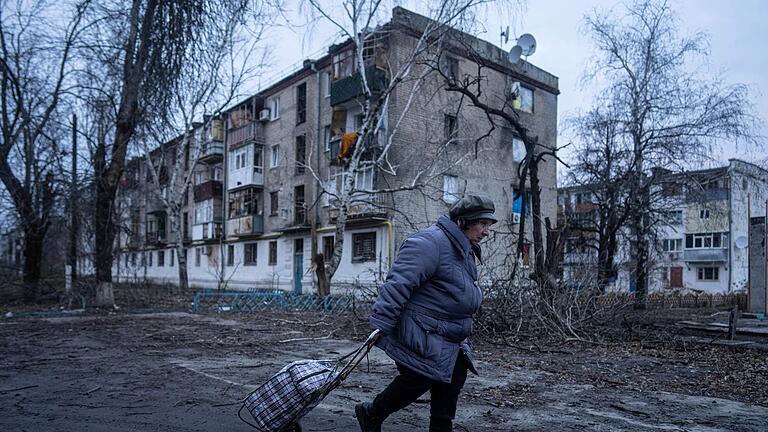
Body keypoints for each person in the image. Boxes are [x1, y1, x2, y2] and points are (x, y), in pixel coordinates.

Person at [355, 194, 497, 432]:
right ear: (463, 221)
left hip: (449, 336)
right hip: (423, 331)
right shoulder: (430, 243)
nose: (486, 231)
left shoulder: (464, 249)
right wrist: (381, 324)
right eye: (483, 224)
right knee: (418, 379)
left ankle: (374, 413)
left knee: (451, 384)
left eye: (489, 226)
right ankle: (372, 412)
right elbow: (399, 283)